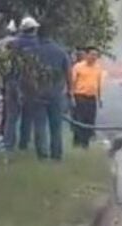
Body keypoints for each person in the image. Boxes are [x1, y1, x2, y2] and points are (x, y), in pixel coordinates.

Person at [28, 24, 72, 160]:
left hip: (37, 92)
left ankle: (42, 154)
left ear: (38, 35)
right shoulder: (60, 51)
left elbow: (27, 72)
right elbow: (69, 73)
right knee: (56, 125)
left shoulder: (33, 51)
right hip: (56, 93)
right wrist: (70, 91)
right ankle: (56, 154)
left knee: (40, 124)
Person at [5, 16, 40, 153]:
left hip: (12, 80)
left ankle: (8, 144)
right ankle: (23, 144)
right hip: (29, 82)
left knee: (11, 116)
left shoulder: (13, 43)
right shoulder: (37, 44)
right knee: (28, 115)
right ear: (34, 30)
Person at [71, 47, 104, 149]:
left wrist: (100, 98)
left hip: (92, 97)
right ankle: (77, 140)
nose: (94, 57)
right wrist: (71, 96)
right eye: (92, 54)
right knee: (80, 119)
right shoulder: (78, 67)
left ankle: (85, 142)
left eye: (96, 55)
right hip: (80, 96)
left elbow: (99, 84)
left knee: (90, 120)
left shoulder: (98, 68)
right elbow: (73, 82)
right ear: (87, 55)